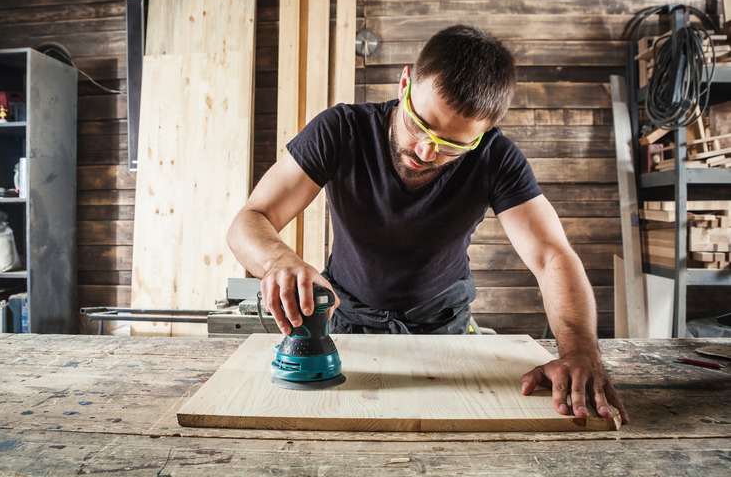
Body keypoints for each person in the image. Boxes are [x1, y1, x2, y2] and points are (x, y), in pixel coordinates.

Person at [227, 24, 629, 423]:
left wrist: (579, 350)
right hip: (348, 323)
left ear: (482, 134)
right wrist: (278, 260)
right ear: (405, 82)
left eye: (453, 145)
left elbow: (551, 256)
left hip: (444, 327)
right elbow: (251, 219)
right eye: (419, 123)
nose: (425, 150)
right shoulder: (341, 130)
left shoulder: (496, 156)